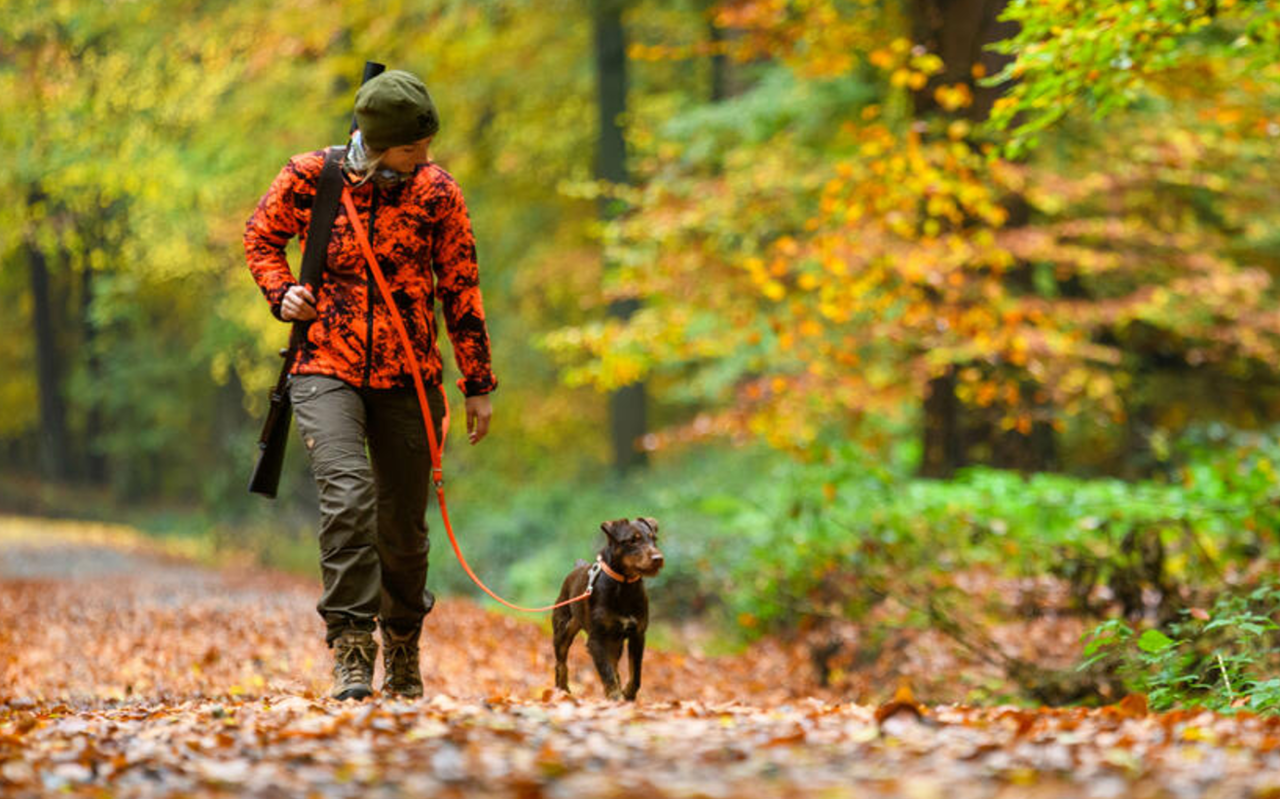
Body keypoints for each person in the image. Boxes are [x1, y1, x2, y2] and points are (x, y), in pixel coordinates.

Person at [244, 70, 497, 700]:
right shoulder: (311, 176)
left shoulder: (438, 192)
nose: (425, 158)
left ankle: (402, 642)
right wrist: (283, 292)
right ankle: (352, 647)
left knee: (403, 529)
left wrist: (477, 381)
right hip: (323, 365)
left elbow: (461, 289)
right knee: (348, 496)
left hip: (410, 376)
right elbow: (261, 238)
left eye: (427, 145)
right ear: (378, 143)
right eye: (413, 148)